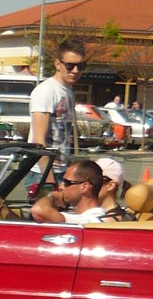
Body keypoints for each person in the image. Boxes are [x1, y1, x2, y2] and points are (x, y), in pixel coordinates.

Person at [29, 37, 83, 170]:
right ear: (57, 64)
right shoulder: (47, 91)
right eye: (70, 66)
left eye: (81, 66)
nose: (75, 71)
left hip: (61, 168)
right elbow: (38, 141)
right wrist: (48, 179)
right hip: (41, 172)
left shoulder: (68, 90)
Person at [32, 157, 108, 224]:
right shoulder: (88, 218)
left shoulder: (92, 220)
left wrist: (52, 197)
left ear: (84, 187)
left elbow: (38, 210)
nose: (61, 187)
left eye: (67, 183)